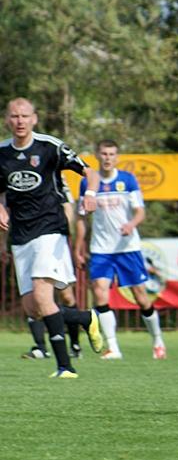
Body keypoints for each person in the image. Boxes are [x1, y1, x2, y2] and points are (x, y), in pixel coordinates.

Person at [0, 97, 104, 378]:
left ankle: (65, 367)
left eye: (25, 116)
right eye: (14, 116)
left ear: (34, 118)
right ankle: (85, 317)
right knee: (33, 308)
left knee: (43, 295)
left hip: (50, 229)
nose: (20, 121)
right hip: (20, 235)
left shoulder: (49, 146)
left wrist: (90, 193)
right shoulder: (1, 153)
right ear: (7, 120)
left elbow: (89, 171)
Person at [74, 139, 167, 360]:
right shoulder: (88, 183)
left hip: (128, 248)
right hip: (101, 249)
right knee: (99, 293)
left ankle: (158, 341)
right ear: (97, 155)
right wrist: (78, 247)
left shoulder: (127, 180)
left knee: (141, 298)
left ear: (117, 157)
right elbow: (81, 218)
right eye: (104, 153)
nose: (107, 158)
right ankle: (113, 348)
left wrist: (131, 224)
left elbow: (140, 211)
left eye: (111, 154)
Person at [21, 176, 83, 359]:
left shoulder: (57, 178)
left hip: (54, 242)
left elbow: (68, 208)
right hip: (28, 240)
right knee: (34, 296)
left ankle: (75, 344)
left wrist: (63, 234)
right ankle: (41, 347)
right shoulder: (21, 177)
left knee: (66, 295)